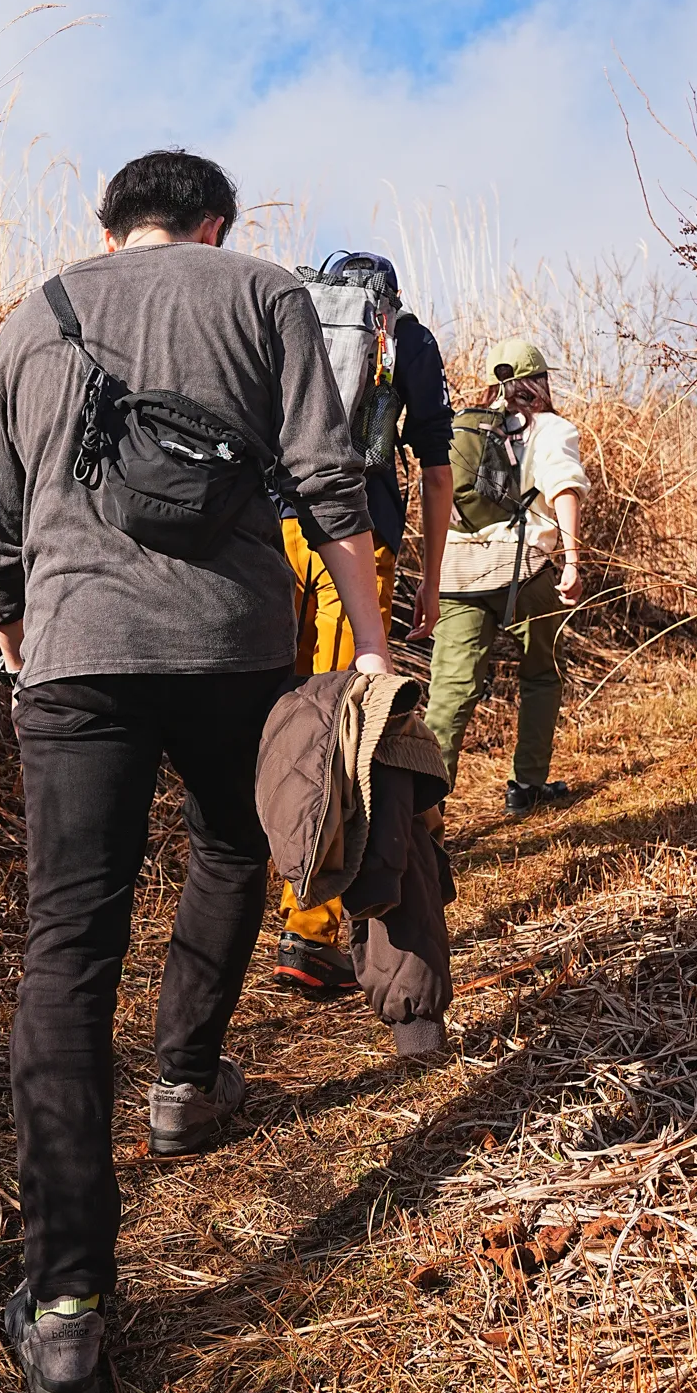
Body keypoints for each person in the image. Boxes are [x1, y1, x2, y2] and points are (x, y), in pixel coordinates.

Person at [0, 151, 392, 1393]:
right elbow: (330, 481)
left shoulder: (37, 312)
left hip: (75, 656)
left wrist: (22, 652)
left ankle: (64, 1308)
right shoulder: (265, 293)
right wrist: (370, 651)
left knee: (68, 950)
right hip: (234, 648)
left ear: (106, 226)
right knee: (232, 842)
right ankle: (185, 1082)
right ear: (213, 221)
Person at [272, 253, 454, 997]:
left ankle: (256, 890)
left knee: (278, 715)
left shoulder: (291, 322)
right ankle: (310, 932)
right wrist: (432, 582)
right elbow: (437, 469)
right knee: (342, 722)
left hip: (271, 538)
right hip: (357, 537)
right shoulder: (407, 338)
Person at [423, 339, 588, 817]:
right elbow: (564, 489)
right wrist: (573, 561)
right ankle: (527, 786)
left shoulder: (464, 428)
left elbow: (436, 497)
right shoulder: (551, 429)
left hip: (456, 574)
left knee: (450, 691)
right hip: (523, 572)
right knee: (541, 674)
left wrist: (430, 577)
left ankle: (423, 811)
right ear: (541, 382)